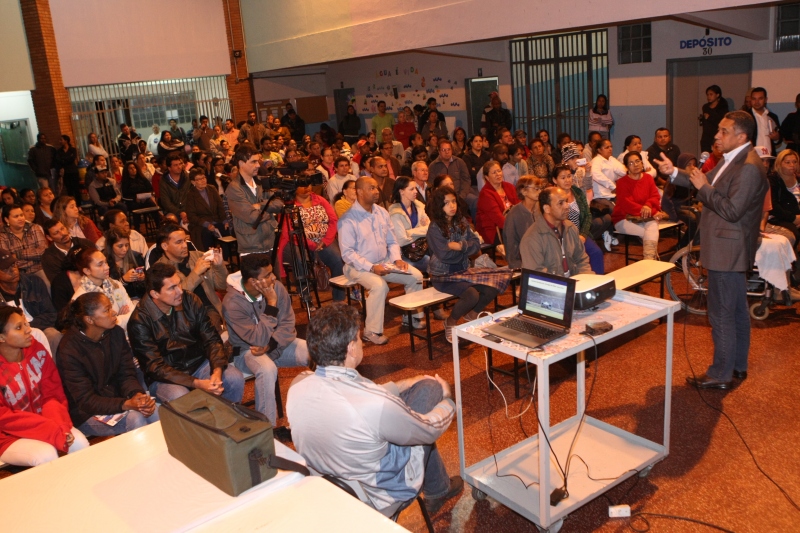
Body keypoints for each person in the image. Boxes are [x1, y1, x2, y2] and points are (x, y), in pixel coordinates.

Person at [287, 303, 462, 516]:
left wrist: (404, 384)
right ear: (351, 348)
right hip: (379, 495)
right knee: (431, 390)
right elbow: (428, 430)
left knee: (416, 396)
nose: (362, 343)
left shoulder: (298, 385)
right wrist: (449, 401)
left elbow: (355, 395)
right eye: (360, 338)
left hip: (329, 485)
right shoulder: (375, 406)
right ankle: (436, 490)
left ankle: (438, 488)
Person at [654, 111, 767, 389]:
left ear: (741, 136)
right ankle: (737, 366)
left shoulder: (749, 166)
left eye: (723, 131)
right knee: (737, 310)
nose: (717, 136)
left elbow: (731, 209)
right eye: (718, 130)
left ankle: (720, 374)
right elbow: (701, 177)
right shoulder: (733, 159)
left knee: (721, 313)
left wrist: (704, 189)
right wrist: (674, 173)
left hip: (728, 250)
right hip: (727, 247)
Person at [128, 263, 244, 403]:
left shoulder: (190, 300)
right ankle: (202, 424)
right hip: (165, 378)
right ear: (155, 294)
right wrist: (196, 383)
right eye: (172, 288)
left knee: (233, 379)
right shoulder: (139, 321)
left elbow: (212, 339)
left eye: (179, 284)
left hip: (198, 364)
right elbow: (154, 367)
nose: (180, 291)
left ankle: (229, 421)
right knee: (181, 396)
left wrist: (217, 371)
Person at [222, 253, 310, 426]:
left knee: (315, 352)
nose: (274, 277)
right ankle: (267, 429)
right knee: (267, 369)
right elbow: (257, 339)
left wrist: (271, 345)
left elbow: (288, 323)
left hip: (276, 344)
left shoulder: (276, 287)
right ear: (254, 282)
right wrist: (271, 303)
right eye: (268, 275)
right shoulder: (232, 303)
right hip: (247, 351)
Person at [56, 293, 158, 437]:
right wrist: (125, 404)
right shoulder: (69, 349)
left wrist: (137, 395)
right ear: (90, 320)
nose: (114, 312)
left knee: (153, 412)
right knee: (136, 418)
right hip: (86, 412)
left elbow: (127, 373)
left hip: (118, 399)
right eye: (107, 310)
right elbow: (86, 400)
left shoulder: (115, 333)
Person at [338, 177, 425, 345]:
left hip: (383, 260)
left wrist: (396, 259)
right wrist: (371, 267)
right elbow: (348, 254)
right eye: (371, 188)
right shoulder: (348, 219)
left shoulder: (382, 212)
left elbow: (392, 241)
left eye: (376, 188)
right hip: (357, 266)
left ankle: (411, 317)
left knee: (415, 276)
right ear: (360, 192)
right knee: (379, 286)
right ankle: (371, 331)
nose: (377, 191)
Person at [0, 307, 89, 467]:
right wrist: (51, 431)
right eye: (19, 328)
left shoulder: (37, 350)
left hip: (47, 421)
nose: (29, 330)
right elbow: (4, 418)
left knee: (80, 444)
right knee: (46, 454)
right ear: (1, 337)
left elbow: (52, 394)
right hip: (7, 436)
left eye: (26, 324)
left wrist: (60, 427)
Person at [427, 187, 500, 341]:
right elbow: (445, 255)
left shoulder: (461, 221)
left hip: (463, 270)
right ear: (439, 206)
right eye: (447, 203)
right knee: (471, 295)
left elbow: (476, 244)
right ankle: (450, 322)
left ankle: (472, 315)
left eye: (453, 201)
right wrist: (465, 249)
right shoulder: (434, 228)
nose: (452, 206)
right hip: (443, 275)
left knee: (494, 285)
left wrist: (460, 246)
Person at [276, 183, 345, 302]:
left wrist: (325, 241)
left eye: (308, 184)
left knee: (338, 260)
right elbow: (290, 230)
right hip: (299, 241)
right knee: (300, 259)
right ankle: (306, 296)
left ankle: (338, 298)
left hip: (323, 240)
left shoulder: (320, 200)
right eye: (302, 185)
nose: (306, 187)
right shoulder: (289, 205)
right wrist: (311, 245)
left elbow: (333, 220)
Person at [155, 224, 228, 332]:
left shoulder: (199, 256)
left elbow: (222, 286)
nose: (185, 245)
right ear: (165, 246)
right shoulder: (160, 269)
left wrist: (219, 267)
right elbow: (177, 296)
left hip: (208, 308)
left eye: (185, 240)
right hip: (181, 314)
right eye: (179, 242)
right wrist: (196, 273)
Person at [520, 187, 593, 276]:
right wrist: (565, 286)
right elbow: (537, 276)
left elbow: (581, 259)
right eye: (560, 203)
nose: (567, 206)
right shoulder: (531, 238)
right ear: (547, 209)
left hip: (575, 283)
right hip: (551, 286)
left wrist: (586, 280)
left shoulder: (571, 228)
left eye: (566, 201)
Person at [0, 249, 61, 353]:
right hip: (10, 336)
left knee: (53, 335)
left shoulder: (33, 282)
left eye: (14, 264)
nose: (13, 270)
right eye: (6, 268)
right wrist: (18, 331)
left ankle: (52, 368)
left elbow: (51, 314)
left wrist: (27, 327)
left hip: (38, 328)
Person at [552, 165, 610, 272]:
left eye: (569, 176)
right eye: (563, 178)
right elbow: (554, 221)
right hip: (562, 237)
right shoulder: (552, 197)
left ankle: (598, 285)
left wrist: (583, 235)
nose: (567, 180)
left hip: (580, 234)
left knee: (596, 253)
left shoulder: (577, 192)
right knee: (574, 260)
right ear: (555, 180)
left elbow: (587, 216)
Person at [612, 152, 669, 261]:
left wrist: (648, 206)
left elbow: (655, 196)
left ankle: (649, 262)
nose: (636, 164)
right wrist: (653, 213)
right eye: (631, 163)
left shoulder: (648, 178)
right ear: (626, 167)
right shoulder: (622, 182)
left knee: (651, 229)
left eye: (637, 161)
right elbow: (627, 205)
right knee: (651, 234)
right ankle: (651, 263)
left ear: (642, 163)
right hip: (624, 219)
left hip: (646, 218)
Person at [227, 145, 281, 255]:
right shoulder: (234, 188)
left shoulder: (261, 182)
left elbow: (279, 203)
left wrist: (260, 206)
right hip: (251, 248)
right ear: (241, 163)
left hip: (271, 242)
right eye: (253, 162)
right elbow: (253, 217)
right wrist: (270, 213)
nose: (258, 165)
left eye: (258, 161)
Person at [71, 247, 134, 329]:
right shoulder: (81, 298)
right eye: (100, 264)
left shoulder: (115, 284)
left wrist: (115, 320)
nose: (107, 267)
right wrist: (119, 318)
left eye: (106, 262)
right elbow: (96, 329)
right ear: (87, 271)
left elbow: (132, 314)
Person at [388, 177, 431, 273]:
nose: (415, 191)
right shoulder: (395, 213)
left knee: (440, 260)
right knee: (432, 263)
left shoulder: (419, 207)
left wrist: (409, 232)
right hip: (404, 254)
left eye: (415, 188)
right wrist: (421, 230)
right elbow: (402, 240)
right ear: (401, 191)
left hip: (422, 249)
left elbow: (430, 229)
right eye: (411, 189)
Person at [504, 175, 545, 269]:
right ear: (523, 191)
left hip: (542, 256)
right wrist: (516, 264)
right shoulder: (514, 214)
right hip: (523, 260)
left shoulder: (541, 209)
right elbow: (511, 244)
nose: (539, 191)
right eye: (536, 188)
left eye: (540, 188)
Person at [185, 168, 230, 251]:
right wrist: (206, 224)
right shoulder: (190, 195)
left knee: (227, 229)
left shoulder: (212, 188)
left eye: (204, 178)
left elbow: (220, 207)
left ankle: (225, 259)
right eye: (199, 179)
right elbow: (192, 216)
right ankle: (209, 258)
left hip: (216, 220)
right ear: (193, 182)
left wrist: (225, 221)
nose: (203, 180)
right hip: (201, 224)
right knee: (207, 234)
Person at [476, 160, 520, 244]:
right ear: (487, 177)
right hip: (494, 229)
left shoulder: (509, 186)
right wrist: (516, 227)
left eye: (499, 171)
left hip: (512, 224)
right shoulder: (486, 194)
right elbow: (499, 219)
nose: (498, 174)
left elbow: (519, 206)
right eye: (494, 172)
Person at [0, 204, 48, 276]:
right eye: (16, 216)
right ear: (7, 219)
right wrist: (33, 257)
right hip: (16, 272)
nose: (20, 218)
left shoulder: (34, 228)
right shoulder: (2, 235)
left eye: (21, 215)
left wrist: (18, 255)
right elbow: (7, 260)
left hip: (38, 269)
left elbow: (43, 251)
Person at [767, 149, 800, 245]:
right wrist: (793, 218)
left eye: (794, 162)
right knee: (793, 234)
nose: (792, 165)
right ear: (779, 164)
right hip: (778, 218)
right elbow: (773, 206)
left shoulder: (798, 178)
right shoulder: (773, 180)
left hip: (797, 216)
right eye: (788, 162)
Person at [103, 228, 145, 300]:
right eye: (120, 246)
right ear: (110, 246)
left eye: (127, 245)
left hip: (138, 298)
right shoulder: (104, 262)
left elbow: (148, 285)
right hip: (117, 301)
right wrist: (123, 281)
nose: (125, 249)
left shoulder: (136, 257)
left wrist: (143, 279)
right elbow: (106, 291)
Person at [429, 140, 472, 205]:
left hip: (460, 194)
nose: (447, 152)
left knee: (474, 200)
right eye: (444, 150)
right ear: (439, 151)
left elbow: (466, 180)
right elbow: (431, 184)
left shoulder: (460, 162)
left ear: (452, 150)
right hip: (442, 197)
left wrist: (461, 196)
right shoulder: (433, 166)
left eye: (449, 149)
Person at [590, 138, 626, 215]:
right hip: (601, 196)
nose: (610, 149)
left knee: (627, 208)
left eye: (611, 147)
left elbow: (624, 171)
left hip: (613, 195)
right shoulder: (596, 161)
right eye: (607, 147)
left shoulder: (612, 159)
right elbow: (596, 174)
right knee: (617, 213)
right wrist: (613, 186)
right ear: (599, 150)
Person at [747, 87, 781, 156]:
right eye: (754, 99)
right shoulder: (746, 116)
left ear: (766, 100)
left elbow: (779, 137)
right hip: (752, 156)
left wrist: (777, 137)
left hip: (769, 156)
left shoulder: (773, 117)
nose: (757, 102)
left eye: (760, 98)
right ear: (750, 100)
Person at [700, 85, 729, 153]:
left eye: (711, 94)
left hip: (717, 136)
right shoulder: (705, 107)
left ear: (717, 95)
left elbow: (722, 122)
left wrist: (710, 117)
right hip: (706, 137)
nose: (709, 97)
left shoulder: (722, 107)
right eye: (707, 95)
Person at [54, 135, 80, 201]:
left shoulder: (73, 149)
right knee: (69, 189)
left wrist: (64, 160)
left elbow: (72, 158)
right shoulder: (59, 151)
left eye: (61, 140)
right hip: (65, 172)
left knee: (76, 188)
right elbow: (58, 160)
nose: (60, 141)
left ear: (66, 141)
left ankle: (79, 204)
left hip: (73, 171)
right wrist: (66, 159)